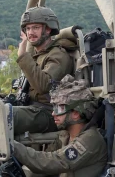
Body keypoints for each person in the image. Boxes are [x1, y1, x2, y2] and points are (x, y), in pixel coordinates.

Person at [11, 7, 76, 135]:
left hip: (50, 112)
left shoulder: (58, 55)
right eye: (28, 29)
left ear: (47, 29)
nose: (30, 33)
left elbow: (44, 85)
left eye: (35, 28)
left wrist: (23, 56)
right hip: (33, 108)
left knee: (6, 115)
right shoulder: (38, 55)